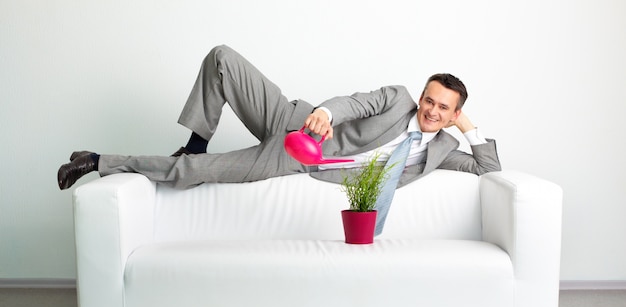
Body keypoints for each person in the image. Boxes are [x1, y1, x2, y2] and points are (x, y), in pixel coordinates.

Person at [57, 45, 501, 191]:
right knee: (222, 59)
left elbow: (487, 168)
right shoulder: (398, 99)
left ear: (453, 113)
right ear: (420, 95)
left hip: (298, 158)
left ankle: (95, 160)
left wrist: (467, 128)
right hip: (296, 118)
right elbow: (354, 102)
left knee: (194, 173)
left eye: (443, 107)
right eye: (430, 100)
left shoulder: (443, 148)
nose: (430, 110)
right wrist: (325, 112)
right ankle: (196, 139)